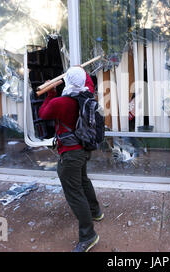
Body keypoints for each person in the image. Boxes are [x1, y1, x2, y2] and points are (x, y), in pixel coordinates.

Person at [39, 66, 103, 252]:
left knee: (74, 193)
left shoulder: (60, 102)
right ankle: (95, 211)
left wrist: (50, 93)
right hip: (84, 148)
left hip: (70, 153)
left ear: (66, 81)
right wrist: (78, 71)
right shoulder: (87, 96)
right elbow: (85, 80)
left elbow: (43, 114)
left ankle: (88, 235)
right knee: (83, 181)